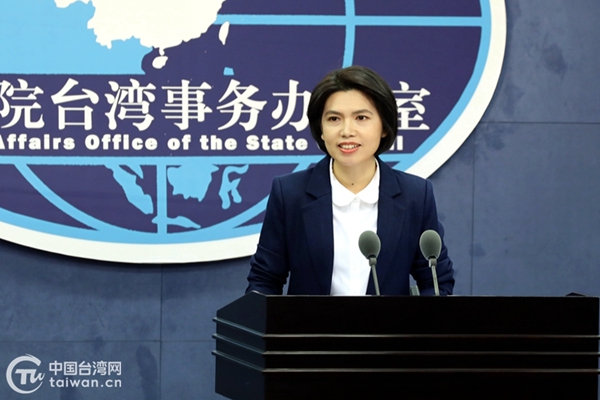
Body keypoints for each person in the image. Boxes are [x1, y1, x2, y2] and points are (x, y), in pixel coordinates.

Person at [246, 65, 454, 296]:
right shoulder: (290, 194)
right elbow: (264, 280)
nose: (347, 131)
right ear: (321, 129)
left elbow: (437, 282)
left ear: (384, 127)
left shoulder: (415, 195)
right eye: (334, 118)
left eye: (361, 118)